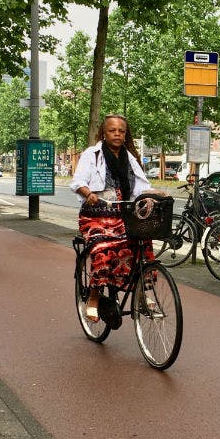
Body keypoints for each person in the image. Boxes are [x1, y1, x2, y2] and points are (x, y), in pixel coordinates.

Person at [70, 114, 160, 321]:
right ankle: (94, 296)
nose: (117, 134)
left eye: (121, 131)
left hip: (123, 213)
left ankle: (142, 294)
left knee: (143, 244)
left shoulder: (129, 157)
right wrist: (88, 193)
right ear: (104, 132)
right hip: (96, 216)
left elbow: (141, 186)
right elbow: (77, 181)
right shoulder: (91, 155)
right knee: (103, 249)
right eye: (112, 130)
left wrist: (155, 194)